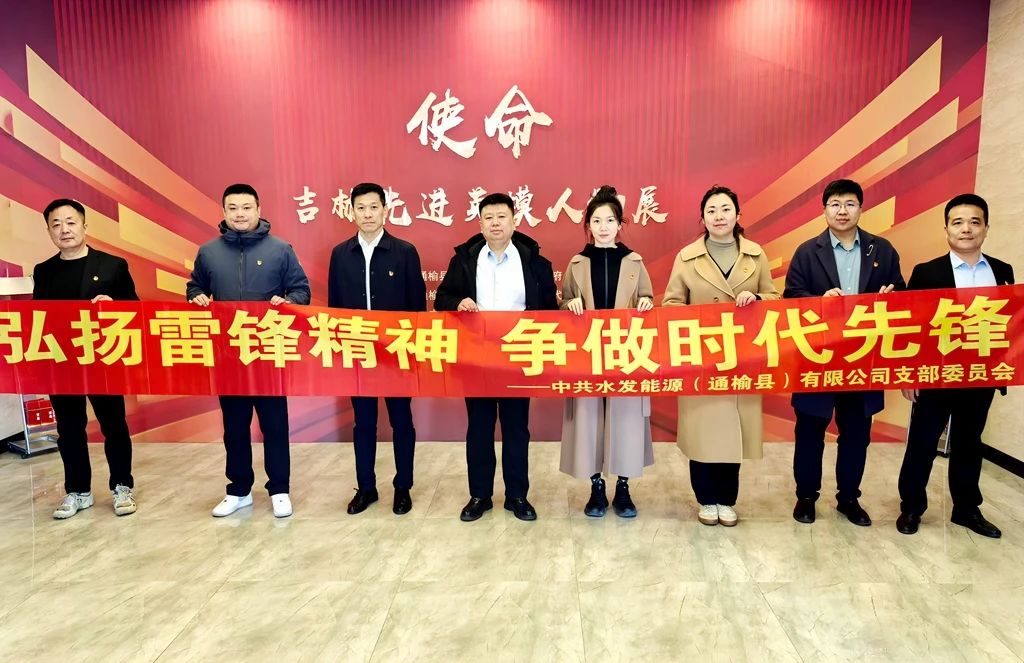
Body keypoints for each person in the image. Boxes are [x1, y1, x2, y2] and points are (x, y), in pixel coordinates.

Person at [784, 178, 905, 526]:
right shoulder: (807, 251)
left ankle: (849, 498)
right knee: (810, 433)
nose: (842, 211)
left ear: (861, 209)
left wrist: (891, 299)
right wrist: (818, 303)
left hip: (862, 359)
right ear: (824, 210)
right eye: (835, 204)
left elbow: (902, 296)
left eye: (849, 204)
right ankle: (806, 497)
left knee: (856, 435)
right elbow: (790, 299)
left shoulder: (882, 250)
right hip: (818, 358)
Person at [186, 183, 310, 518]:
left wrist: (289, 300)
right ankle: (239, 490)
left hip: (269, 351)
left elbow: (301, 291)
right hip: (229, 355)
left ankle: (279, 489)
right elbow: (195, 286)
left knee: (275, 425)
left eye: (246, 207)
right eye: (233, 208)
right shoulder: (209, 252)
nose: (240, 214)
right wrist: (196, 296)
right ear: (224, 212)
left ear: (258, 209)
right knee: (235, 427)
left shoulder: (280, 249)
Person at [896, 193, 1014, 538]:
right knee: (923, 442)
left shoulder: (1002, 271)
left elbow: (1009, 323)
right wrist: (910, 373)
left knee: (969, 442)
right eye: (958, 222)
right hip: (936, 373)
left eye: (975, 222)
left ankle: (966, 509)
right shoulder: (927, 272)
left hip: (980, 374)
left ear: (986, 228)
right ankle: (911, 507)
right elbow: (912, 327)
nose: (966, 229)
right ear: (946, 229)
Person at [435, 192, 558, 522]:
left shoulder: (535, 262)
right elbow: (442, 298)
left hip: (518, 355)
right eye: (488, 217)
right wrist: (458, 302)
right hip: (477, 357)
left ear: (514, 221)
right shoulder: (465, 259)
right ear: (480, 223)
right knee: (479, 428)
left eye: (501, 216)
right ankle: (480, 495)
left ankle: (517, 496)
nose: (495, 223)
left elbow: (550, 311)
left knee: (517, 429)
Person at [663, 185, 779, 526]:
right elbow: (671, 305)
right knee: (703, 431)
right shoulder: (686, 257)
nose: (719, 216)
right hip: (702, 358)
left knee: (732, 432)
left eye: (725, 209)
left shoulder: (756, 255)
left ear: (738, 215)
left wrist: (757, 300)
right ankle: (705, 499)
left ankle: (727, 499)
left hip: (742, 358)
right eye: (711, 210)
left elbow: (774, 298)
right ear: (702, 218)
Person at [33, 198, 139, 519]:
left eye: (70, 222)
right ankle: (78, 491)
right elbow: (38, 318)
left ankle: (122, 486)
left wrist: (114, 305)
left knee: (113, 425)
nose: (64, 230)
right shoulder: (44, 271)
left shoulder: (112, 265)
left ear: (83, 225)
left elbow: (135, 309)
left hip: (102, 359)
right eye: (56, 224)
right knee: (69, 428)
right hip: (62, 362)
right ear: (49, 231)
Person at [327, 182, 426, 515]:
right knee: (364, 423)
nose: (367, 214)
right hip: (358, 351)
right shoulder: (340, 254)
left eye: (373, 207)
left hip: (396, 352)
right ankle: (366, 487)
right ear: (351, 212)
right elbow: (335, 308)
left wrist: (412, 352)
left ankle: (403, 487)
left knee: (402, 421)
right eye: (361, 208)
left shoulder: (404, 252)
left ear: (385, 210)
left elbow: (417, 309)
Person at [559, 185, 654, 518]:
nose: (603, 227)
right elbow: (563, 304)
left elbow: (647, 299)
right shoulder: (576, 263)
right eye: (596, 221)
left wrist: (647, 303)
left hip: (625, 352)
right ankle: (596, 486)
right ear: (588, 225)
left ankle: (623, 488)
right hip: (587, 354)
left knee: (625, 418)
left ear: (619, 224)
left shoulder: (634, 262)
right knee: (589, 418)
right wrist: (569, 304)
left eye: (610, 220)